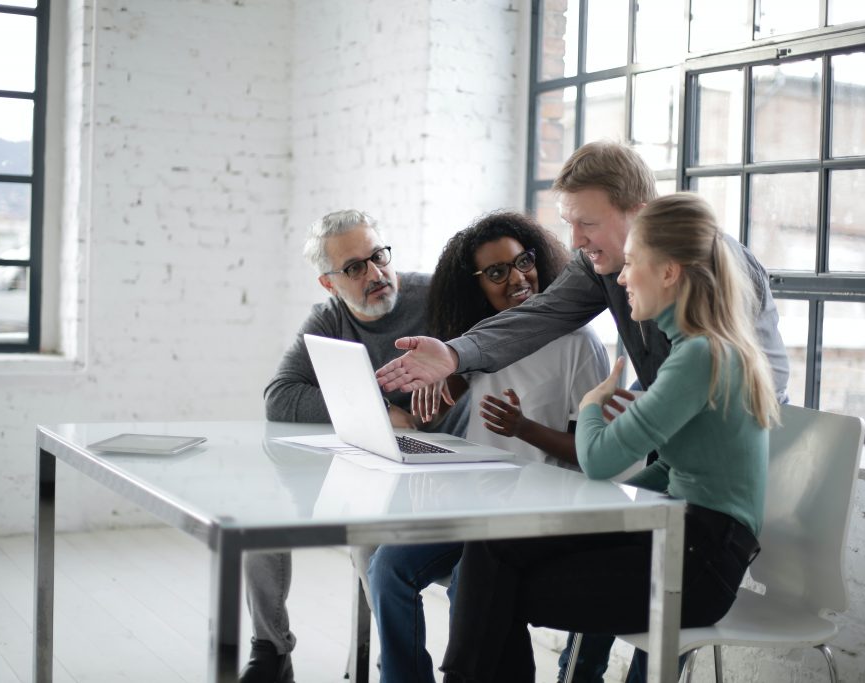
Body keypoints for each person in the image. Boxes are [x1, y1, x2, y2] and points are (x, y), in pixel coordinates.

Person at [375, 140, 789, 681]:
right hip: (671, 486)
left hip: (705, 519)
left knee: (507, 582)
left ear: (638, 217)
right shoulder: (613, 273)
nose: (575, 242)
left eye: (586, 224)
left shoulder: (712, 298)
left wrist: (616, 407)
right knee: (494, 556)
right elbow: (540, 316)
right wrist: (454, 353)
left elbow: (743, 390)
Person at [367, 212, 610, 682]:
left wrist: (523, 428)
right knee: (386, 569)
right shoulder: (475, 342)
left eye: (524, 262)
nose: (518, 278)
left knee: (470, 586)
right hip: (473, 501)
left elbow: (591, 452)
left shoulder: (578, 343)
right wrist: (438, 403)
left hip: (536, 509)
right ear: (474, 285)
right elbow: (440, 414)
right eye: (497, 272)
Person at [243, 209, 467, 683]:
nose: (375, 274)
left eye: (378, 256)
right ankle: (271, 648)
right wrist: (381, 412)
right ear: (329, 283)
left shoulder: (436, 296)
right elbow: (280, 396)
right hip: (371, 464)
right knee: (257, 514)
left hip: (442, 465)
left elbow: (485, 356)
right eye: (354, 268)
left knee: (371, 546)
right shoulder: (328, 318)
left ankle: (395, 664)